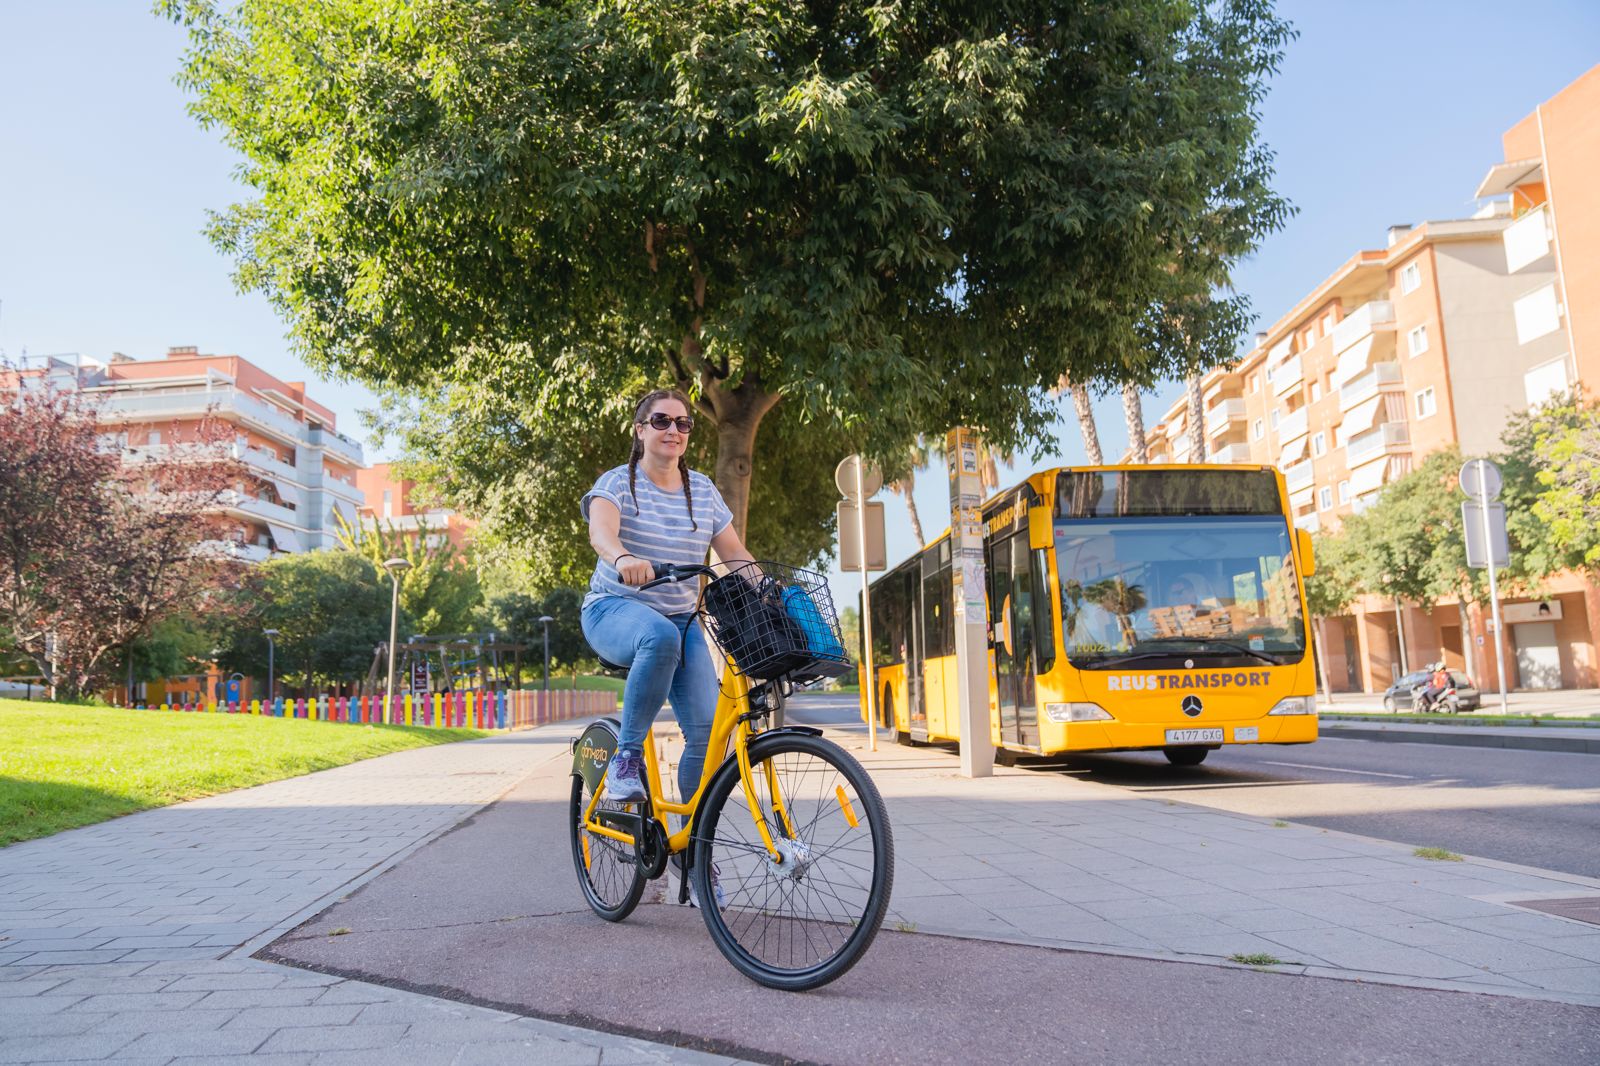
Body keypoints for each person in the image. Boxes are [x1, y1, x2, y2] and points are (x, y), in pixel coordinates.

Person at [580, 388, 755, 809]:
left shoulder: (703, 489)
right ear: (640, 430)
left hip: (682, 618)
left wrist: (769, 591)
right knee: (658, 637)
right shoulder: (618, 481)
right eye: (661, 421)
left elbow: (734, 553)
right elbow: (600, 531)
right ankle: (625, 759)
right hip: (613, 608)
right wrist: (622, 556)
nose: (673, 430)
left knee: (709, 732)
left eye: (682, 423)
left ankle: (692, 846)